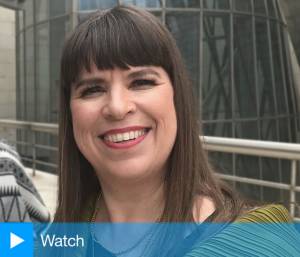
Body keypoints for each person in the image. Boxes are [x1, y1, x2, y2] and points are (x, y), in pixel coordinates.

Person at [53, 5, 300, 257]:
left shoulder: (263, 246)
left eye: (141, 82)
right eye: (92, 89)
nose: (117, 107)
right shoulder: (57, 238)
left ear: (177, 98)